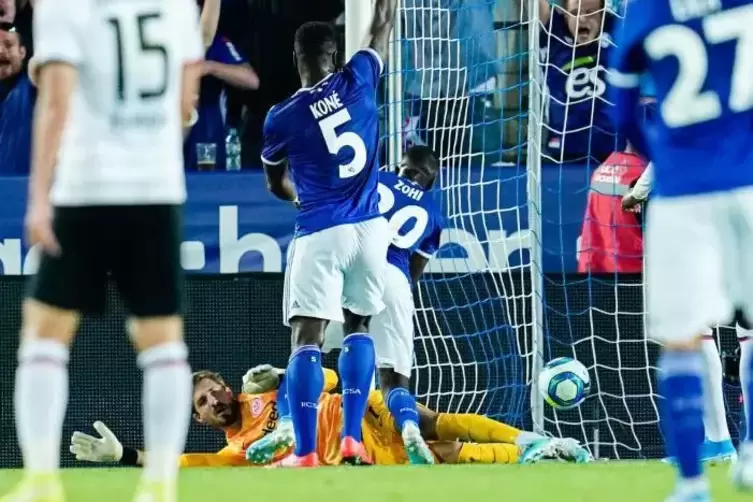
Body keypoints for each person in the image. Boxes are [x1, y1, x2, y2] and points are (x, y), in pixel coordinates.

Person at [1, 0, 203, 500]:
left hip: (86, 187)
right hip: (155, 189)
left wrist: (38, 199)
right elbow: (185, 101)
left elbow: (55, 103)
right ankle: (159, 486)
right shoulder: (175, 6)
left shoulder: (65, 5)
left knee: (45, 335)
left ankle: (43, 479)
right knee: (163, 343)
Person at [609, 0, 753, 499]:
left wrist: (666, 158)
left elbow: (621, 109)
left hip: (684, 189)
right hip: (749, 181)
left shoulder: (650, 6)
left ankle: (693, 482)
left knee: (685, 337)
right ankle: (750, 451)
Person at [260, 0, 397, 468]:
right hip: (372, 229)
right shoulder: (359, 79)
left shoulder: (280, 117)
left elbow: (276, 183)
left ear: (295, 60)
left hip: (321, 229)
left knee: (307, 339)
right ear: (335, 55)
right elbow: (380, 28)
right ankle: (353, 438)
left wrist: (298, 195)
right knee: (359, 326)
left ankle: (305, 451)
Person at [69, 367, 592, 467]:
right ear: (203, 421)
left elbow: (331, 379)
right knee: (450, 455)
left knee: (434, 421)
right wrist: (127, 456)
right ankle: (540, 454)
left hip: (359, 410)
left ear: (226, 386)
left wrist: (292, 377)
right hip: (360, 452)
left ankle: (529, 437)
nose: (211, 403)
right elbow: (189, 466)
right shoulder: (235, 452)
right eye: (202, 405)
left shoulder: (262, 390)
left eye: (212, 392)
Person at [310, 146, 443, 465]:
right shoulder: (436, 213)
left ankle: (342, 434)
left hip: (354, 266)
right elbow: (414, 273)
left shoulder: (374, 178)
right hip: (396, 277)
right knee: (394, 378)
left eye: (406, 168)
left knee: (318, 345)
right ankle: (410, 426)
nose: (401, 172)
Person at [538, 0, 621, 164]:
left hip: (613, 151)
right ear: (565, 14)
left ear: (602, 14)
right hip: (563, 151)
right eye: (575, 13)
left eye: (590, 12)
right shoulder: (553, 30)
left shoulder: (618, 29)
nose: (583, 19)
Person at [0, 23, 33, 176]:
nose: (0, 51)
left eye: (8, 45)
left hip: (23, 191)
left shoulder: (38, 92)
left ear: (22, 52)